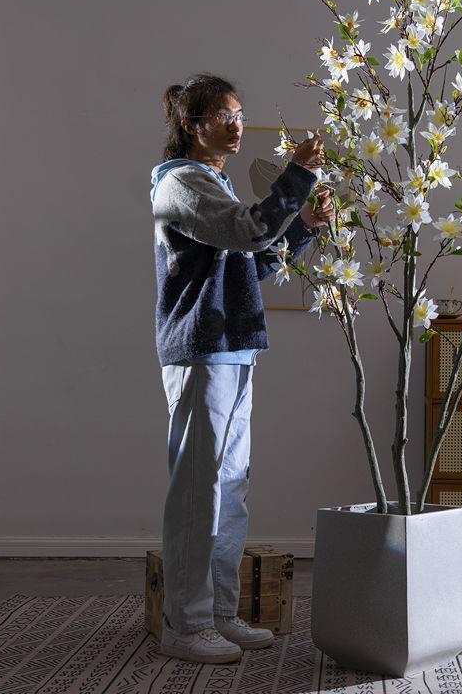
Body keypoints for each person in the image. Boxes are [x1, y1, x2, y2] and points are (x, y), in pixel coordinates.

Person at [149, 73, 334, 664]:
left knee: (230, 489)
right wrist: (297, 176)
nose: (235, 123)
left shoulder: (217, 185)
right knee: (197, 491)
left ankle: (220, 615)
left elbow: (253, 268)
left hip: (234, 346)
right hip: (202, 350)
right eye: (223, 115)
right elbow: (249, 229)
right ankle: (185, 624)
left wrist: (304, 227)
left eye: (238, 113)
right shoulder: (180, 184)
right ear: (190, 125)